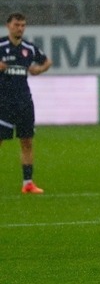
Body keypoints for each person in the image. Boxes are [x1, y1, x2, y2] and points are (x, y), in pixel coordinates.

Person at [0, 12, 52, 194]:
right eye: (17, 25)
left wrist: (39, 69)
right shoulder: (1, 46)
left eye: (23, 25)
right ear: (8, 26)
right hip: (3, 102)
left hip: (24, 101)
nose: (20, 28)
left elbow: (47, 62)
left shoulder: (29, 48)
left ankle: (28, 183)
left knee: (27, 141)